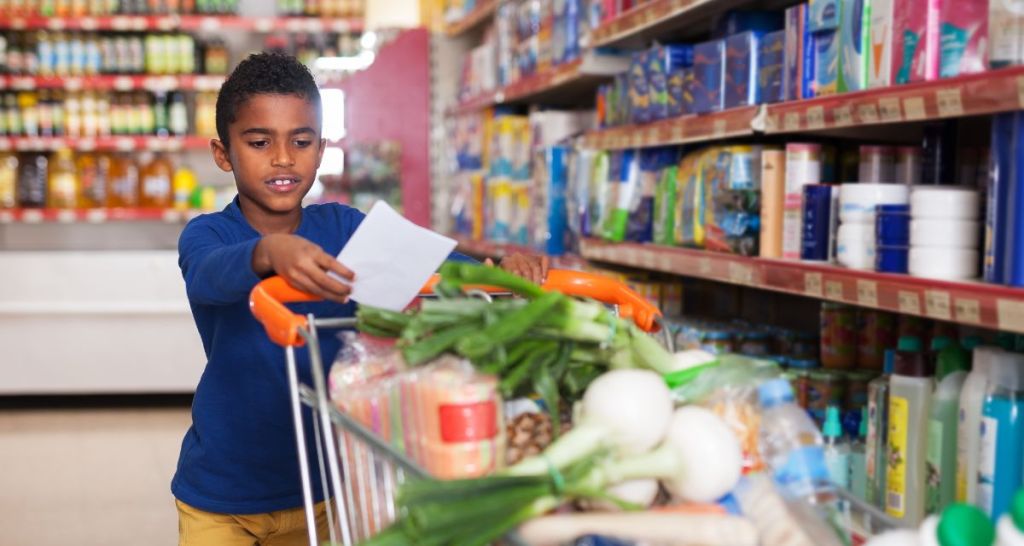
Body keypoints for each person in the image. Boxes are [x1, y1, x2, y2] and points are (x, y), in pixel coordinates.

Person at [172, 52, 548, 546]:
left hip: (323, 485)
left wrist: (504, 275)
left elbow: (438, 266)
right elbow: (207, 276)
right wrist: (268, 253)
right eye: (260, 142)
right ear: (224, 153)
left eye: (301, 141)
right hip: (221, 492)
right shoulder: (208, 235)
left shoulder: (345, 228)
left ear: (322, 149)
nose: (283, 157)